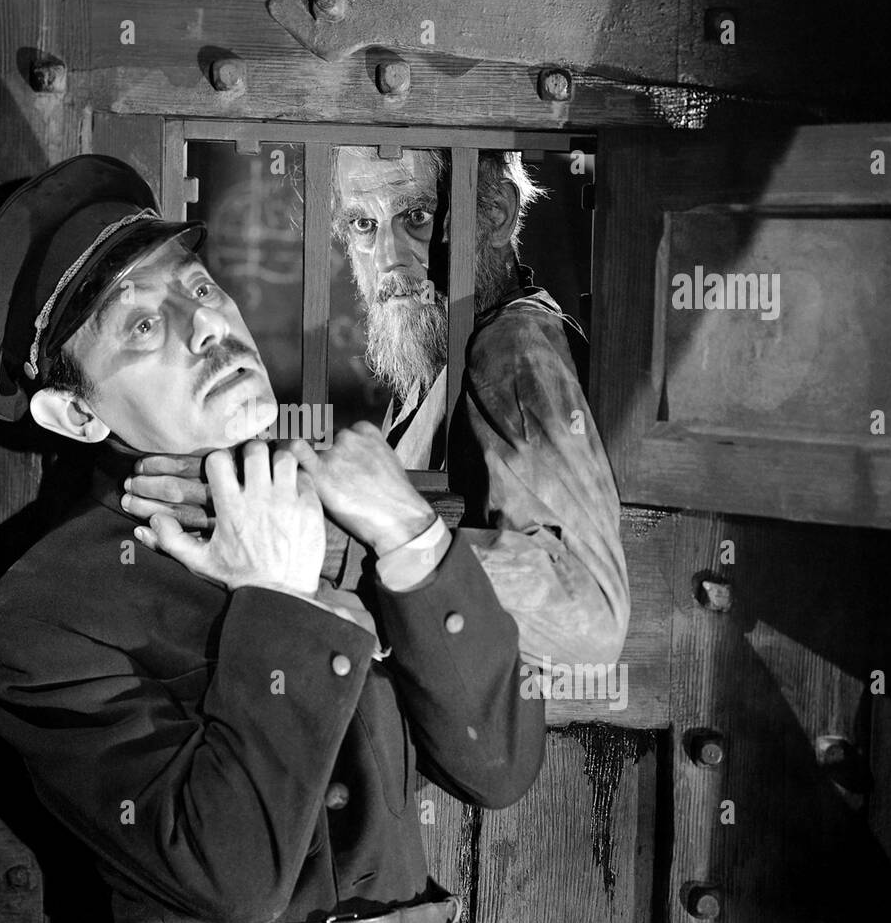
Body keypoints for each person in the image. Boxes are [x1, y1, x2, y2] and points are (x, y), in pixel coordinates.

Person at [0, 154, 545, 923]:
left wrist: (412, 534)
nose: (207, 324)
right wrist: (278, 599)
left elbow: (497, 767)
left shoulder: (346, 512)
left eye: (197, 287)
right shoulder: (35, 626)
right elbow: (231, 880)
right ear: (75, 414)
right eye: (141, 325)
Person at [126, 147, 629, 674]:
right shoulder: (436, 362)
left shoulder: (512, 345)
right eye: (364, 224)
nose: (388, 257)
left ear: (496, 213)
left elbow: (586, 614)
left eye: (416, 216)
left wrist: (313, 536)